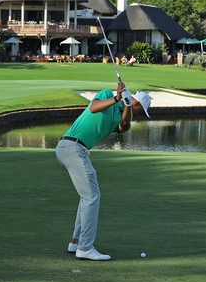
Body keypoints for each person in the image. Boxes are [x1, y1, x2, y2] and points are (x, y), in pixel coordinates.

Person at [56, 82, 152, 261]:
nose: (138, 116)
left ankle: (76, 242)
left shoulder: (124, 118)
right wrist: (117, 97)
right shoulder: (107, 94)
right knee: (92, 196)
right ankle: (85, 248)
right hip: (71, 146)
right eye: (140, 111)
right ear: (138, 104)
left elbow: (124, 125)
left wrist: (126, 105)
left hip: (73, 149)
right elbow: (93, 108)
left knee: (87, 196)